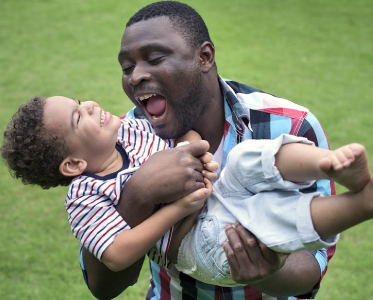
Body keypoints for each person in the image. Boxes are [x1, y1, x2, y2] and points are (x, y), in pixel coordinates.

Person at [79, 1, 338, 299]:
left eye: (154, 58)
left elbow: (312, 268)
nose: (135, 76)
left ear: (204, 56)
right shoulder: (119, 143)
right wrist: (138, 192)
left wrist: (271, 270)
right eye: (127, 67)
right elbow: (103, 285)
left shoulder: (291, 126)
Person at [3, 95, 373, 289]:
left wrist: (196, 153)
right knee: (265, 222)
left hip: (215, 189)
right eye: (78, 115)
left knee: (247, 156)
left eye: (79, 102)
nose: (90, 103)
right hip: (196, 244)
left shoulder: (133, 127)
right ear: (72, 165)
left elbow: (185, 138)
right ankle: (369, 203)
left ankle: (329, 165)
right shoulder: (85, 196)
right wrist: (177, 208)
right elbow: (117, 254)